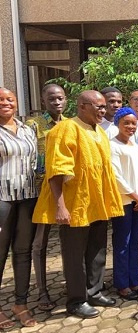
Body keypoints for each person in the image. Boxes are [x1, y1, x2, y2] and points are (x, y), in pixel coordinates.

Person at [32, 90, 123, 319]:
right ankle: (76, 300)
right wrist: (60, 206)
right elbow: (56, 170)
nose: (104, 110)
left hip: (97, 204)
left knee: (97, 250)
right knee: (74, 255)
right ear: (83, 106)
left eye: (104, 107)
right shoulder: (66, 129)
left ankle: (94, 291)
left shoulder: (99, 131)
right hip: (75, 206)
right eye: (99, 106)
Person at [26, 83, 67, 312]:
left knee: (70, 241)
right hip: (41, 191)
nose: (57, 102)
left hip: (66, 190)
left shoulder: (70, 124)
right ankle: (42, 290)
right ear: (43, 101)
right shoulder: (34, 125)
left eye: (60, 98)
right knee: (39, 243)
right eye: (52, 99)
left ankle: (72, 283)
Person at [0, 88, 38, 328]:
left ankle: (20, 304)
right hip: (2, 198)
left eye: (10, 99)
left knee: (23, 252)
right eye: (1, 100)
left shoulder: (27, 129)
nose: (6, 103)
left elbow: (34, 161)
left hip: (27, 195)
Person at [110, 107, 138, 300]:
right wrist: (136, 197)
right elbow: (116, 177)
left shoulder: (135, 146)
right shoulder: (112, 146)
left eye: (133, 123)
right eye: (126, 122)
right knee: (122, 243)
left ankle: (135, 281)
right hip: (124, 202)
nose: (130, 126)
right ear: (118, 123)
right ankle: (122, 284)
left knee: (134, 242)